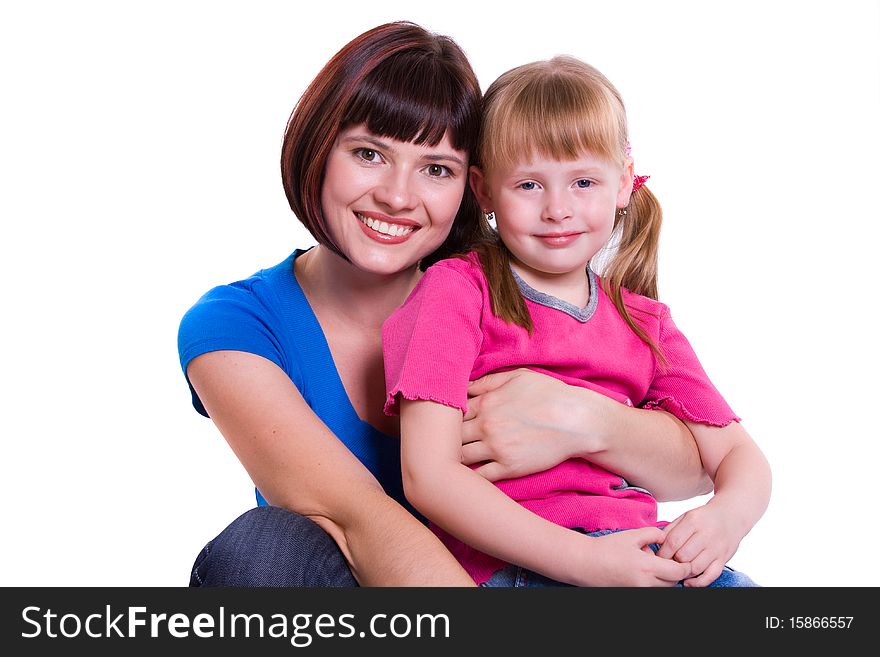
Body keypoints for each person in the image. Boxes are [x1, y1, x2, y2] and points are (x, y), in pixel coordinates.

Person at [178, 22, 711, 587]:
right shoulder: (235, 326)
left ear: (473, 188)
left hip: (535, 573)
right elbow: (355, 517)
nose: (398, 196)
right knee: (260, 548)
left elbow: (702, 460)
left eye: (436, 169)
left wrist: (581, 418)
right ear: (318, 147)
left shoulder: (506, 289)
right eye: (368, 153)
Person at [383, 56, 772, 587]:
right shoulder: (457, 289)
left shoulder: (644, 321)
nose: (557, 209)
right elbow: (426, 476)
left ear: (623, 183)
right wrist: (586, 562)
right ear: (483, 190)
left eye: (583, 181)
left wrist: (725, 518)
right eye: (529, 186)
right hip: (515, 565)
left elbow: (739, 457)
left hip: (634, 553)